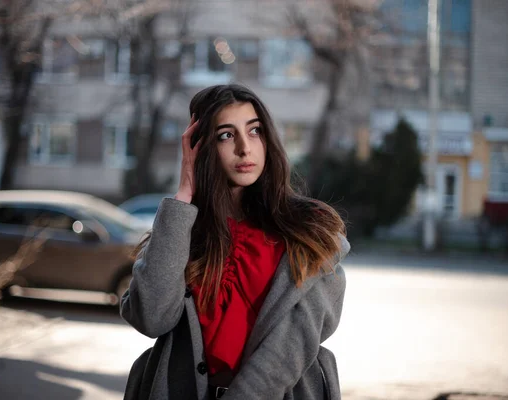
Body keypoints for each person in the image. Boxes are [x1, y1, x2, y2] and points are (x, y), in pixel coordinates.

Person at [120, 84, 350, 400]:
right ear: (200, 148)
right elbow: (151, 318)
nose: (245, 148)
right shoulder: (181, 231)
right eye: (226, 135)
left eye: (254, 131)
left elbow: (293, 346)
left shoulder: (309, 230)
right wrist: (184, 195)